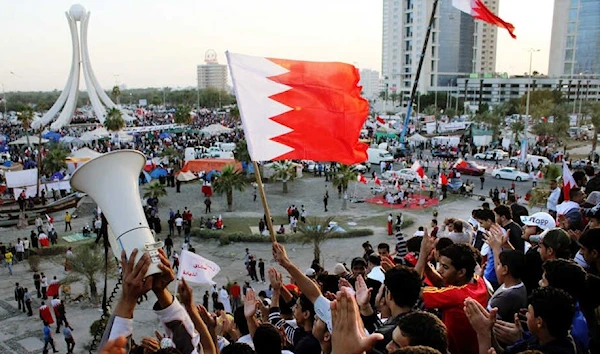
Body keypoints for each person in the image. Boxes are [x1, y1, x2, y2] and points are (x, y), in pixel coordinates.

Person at [415, 237, 489, 354]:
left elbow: (412, 290)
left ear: (461, 272)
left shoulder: (456, 295)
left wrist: (422, 256)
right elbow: (443, 284)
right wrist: (427, 265)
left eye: (445, 267)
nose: (439, 270)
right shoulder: (477, 281)